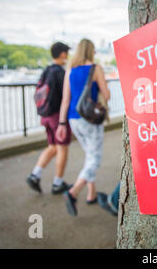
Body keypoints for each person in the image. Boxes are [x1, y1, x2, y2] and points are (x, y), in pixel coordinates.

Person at [56, 38, 110, 216]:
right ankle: (73, 192)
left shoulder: (70, 70)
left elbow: (65, 100)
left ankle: (91, 194)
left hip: (72, 119)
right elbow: (107, 95)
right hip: (90, 119)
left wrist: (62, 124)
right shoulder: (95, 69)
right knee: (95, 159)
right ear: (92, 51)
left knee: (89, 155)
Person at [26, 42, 72, 194]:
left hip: (45, 115)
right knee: (62, 148)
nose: (67, 55)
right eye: (66, 52)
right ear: (62, 54)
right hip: (57, 117)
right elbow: (66, 97)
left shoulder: (46, 70)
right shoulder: (60, 72)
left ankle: (35, 175)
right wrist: (63, 122)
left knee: (52, 146)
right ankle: (57, 183)